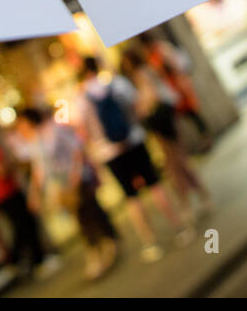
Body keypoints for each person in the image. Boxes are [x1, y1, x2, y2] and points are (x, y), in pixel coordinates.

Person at [77, 55, 189, 262]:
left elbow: (83, 133)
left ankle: (150, 242)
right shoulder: (118, 84)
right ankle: (179, 229)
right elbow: (139, 106)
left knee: (131, 197)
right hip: (135, 140)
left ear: (83, 72)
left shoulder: (81, 98)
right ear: (99, 65)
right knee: (155, 185)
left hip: (109, 152)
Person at [16, 107, 117, 281]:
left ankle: (104, 247)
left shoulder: (55, 130)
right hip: (63, 187)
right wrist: (35, 192)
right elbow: (40, 169)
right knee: (82, 218)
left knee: (90, 214)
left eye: (22, 124)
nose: (20, 129)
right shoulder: (34, 142)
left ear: (30, 121)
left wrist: (75, 177)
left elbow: (77, 150)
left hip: (78, 180)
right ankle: (100, 249)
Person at [0, 114, 59, 279]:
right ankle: (34, 261)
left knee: (19, 226)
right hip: (6, 191)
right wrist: (15, 164)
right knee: (25, 225)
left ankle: (19, 261)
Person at [122, 49, 213, 217]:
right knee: (177, 162)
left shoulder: (143, 74)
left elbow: (153, 96)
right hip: (164, 120)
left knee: (177, 163)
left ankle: (193, 200)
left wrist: (142, 106)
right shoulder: (147, 71)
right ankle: (198, 197)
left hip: (162, 122)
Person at [138, 30, 211, 143]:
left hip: (178, 83)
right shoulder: (151, 55)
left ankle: (205, 136)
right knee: (185, 113)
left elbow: (174, 65)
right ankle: (202, 137)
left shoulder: (161, 49)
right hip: (170, 87)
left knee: (192, 111)